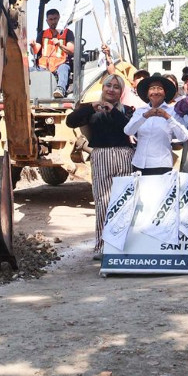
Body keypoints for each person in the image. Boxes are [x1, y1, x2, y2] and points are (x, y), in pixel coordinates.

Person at [66, 74, 134, 260]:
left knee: (124, 202)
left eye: (116, 87)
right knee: (103, 202)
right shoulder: (90, 109)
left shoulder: (127, 110)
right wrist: (90, 107)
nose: (111, 89)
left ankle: (124, 246)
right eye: (108, 86)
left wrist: (112, 110)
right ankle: (103, 246)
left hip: (124, 155)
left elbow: (129, 128)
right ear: (102, 88)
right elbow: (70, 121)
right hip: (101, 155)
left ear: (121, 91)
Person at [124, 74, 187, 175]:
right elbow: (128, 131)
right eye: (152, 88)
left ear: (165, 94)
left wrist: (168, 117)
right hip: (139, 164)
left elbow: (184, 136)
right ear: (147, 93)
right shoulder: (140, 112)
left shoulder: (172, 112)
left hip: (161, 165)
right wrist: (145, 116)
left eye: (159, 88)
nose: (156, 92)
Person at [29, 9, 75, 98]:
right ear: (47, 21)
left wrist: (59, 44)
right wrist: (33, 45)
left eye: (55, 19)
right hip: (43, 67)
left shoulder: (67, 33)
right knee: (25, 70)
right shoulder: (42, 34)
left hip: (60, 65)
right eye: (51, 19)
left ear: (59, 19)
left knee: (64, 68)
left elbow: (71, 50)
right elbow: (36, 50)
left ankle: (60, 89)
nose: (53, 21)